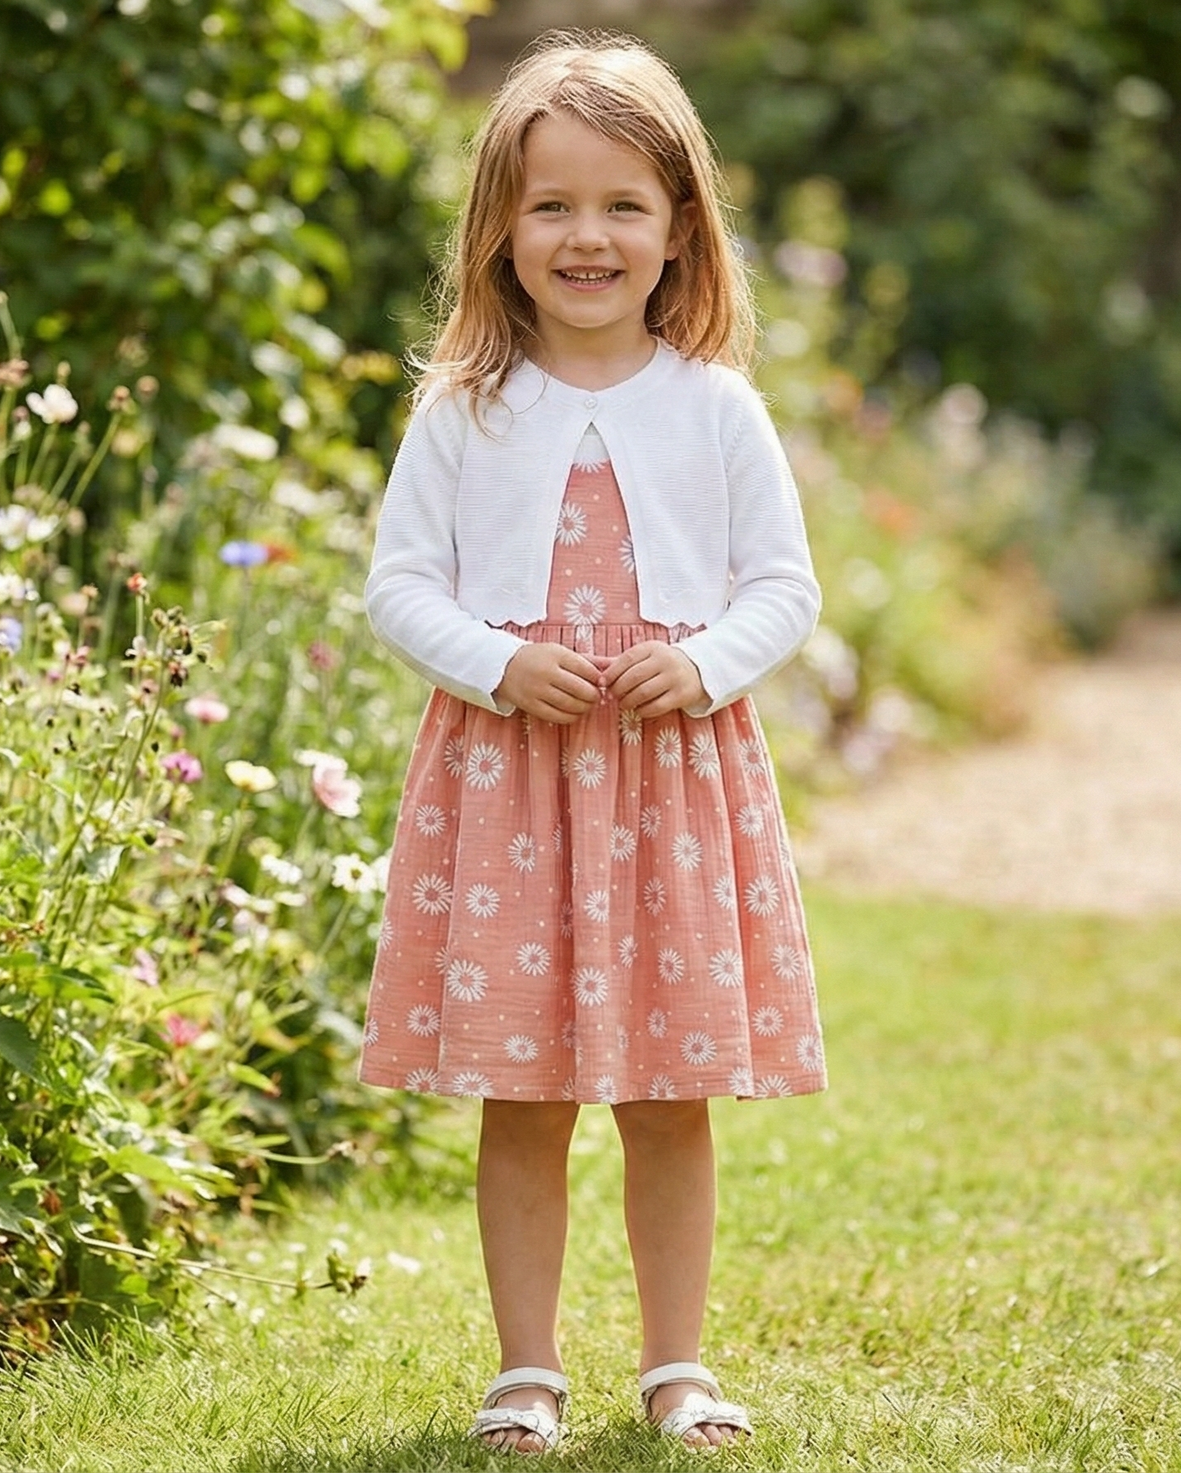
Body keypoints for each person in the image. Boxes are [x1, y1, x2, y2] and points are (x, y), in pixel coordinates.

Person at [357, 29, 826, 1455]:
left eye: (622, 205)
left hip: (669, 786)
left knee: (669, 1092)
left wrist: (705, 660)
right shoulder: (464, 412)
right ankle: (526, 1369)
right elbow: (396, 587)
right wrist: (498, 663)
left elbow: (782, 588)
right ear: (499, 230)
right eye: (552, 205)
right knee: (526, 1087)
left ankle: (676, 1368)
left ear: (679, 228)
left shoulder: (714, 408)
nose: (586, 235)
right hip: (510, 790)